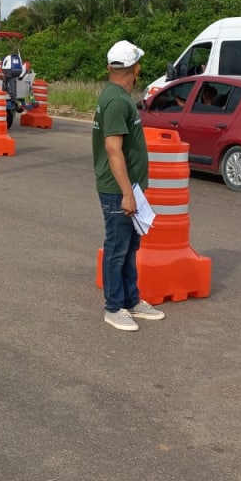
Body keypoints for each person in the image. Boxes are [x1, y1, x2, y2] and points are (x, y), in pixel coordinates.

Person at [93, 40, 165, 332]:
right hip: (118, 188)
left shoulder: (117, 97)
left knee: (130, 245)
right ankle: (114, 307)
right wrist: (125, 192)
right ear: (135, 69)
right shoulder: (115, 101)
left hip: (128, 187)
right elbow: (113, 149)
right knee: (117, 247)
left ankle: (131, 299)